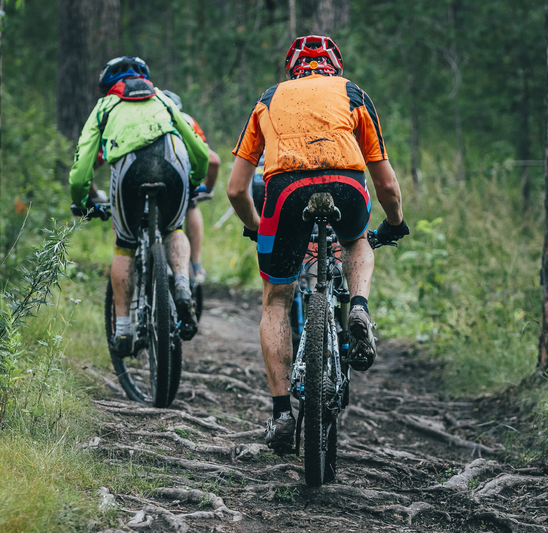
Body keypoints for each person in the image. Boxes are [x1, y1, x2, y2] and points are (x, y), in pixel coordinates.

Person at [226, 35, 409, 452]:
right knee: (357, 240)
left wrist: (257, 227)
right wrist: (395, 224)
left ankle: (281, 415)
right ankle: (359, 308)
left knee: (276, 298)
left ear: (292, 68)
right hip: (346, 185)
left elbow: (237, 189)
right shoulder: (353, 93)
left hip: (284, 192)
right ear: (334, 66)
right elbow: (385, 182)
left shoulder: (268, 99)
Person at [70, 56, 210, 355]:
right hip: (173, 164)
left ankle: (123, 329)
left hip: (129, 170)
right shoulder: (162, 98)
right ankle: (183, 285)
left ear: (109, 86)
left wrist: (81, 200)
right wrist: (194, 179)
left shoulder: (105, 106)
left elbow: (83, 163)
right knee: (174, 227)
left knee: (125, 244)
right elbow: (197, 147)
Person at [161, 90, 222, 284]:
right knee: (191, 203)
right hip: (181, 180)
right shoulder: (187, 120)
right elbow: (212, 160)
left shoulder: (144, 120)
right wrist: (206, 187)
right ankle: (196, 266)